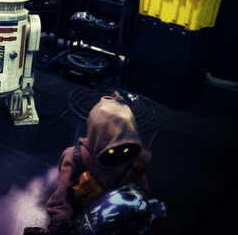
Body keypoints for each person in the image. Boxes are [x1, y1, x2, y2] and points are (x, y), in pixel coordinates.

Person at [44, 92, 155, 234]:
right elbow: (61, 201)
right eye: (111, 150)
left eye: (125, 148)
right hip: (83, 222)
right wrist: (62, 224)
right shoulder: (75, 158)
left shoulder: (135, 159)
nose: (119, 156)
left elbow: (141, 194)